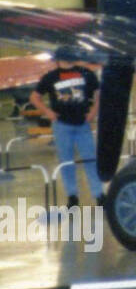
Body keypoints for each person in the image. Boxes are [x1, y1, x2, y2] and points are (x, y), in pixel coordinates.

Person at [30, 46, 103, 207]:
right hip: (62, 125)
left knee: (90, 159)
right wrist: (48, 112)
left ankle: (98, 194)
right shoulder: (50, 77)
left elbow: (99, 95)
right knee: (66, 161)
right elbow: (35, 97)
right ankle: (72, 196)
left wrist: (93, 113)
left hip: (83, 123)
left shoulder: (86, 73)